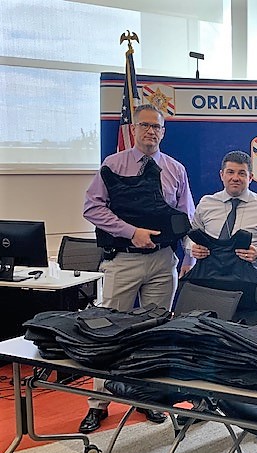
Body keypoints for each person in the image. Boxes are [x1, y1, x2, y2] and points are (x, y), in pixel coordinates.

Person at [80, 104, 196, 433]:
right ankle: (98, 404)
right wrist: (131, 232)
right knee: (107, 331)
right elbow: (91, 207)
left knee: (154, 334)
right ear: (134, 129)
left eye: (156, 127)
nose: (150, 132)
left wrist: (189, 257)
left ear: (163, 132)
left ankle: (148, 399)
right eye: (144, 125)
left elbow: (185, 217)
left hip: (163, 262)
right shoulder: (113, 165)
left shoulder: (175, 169)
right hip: (124, 260)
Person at [186, 149, 257, 325]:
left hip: (247, 288)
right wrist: (191, 248)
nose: (235, 177)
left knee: (254, 343)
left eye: (242, 173)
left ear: (251, 178)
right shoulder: (206, 204)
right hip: (209, 286)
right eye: (230, 172)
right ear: (222, 175)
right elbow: (190, 237)